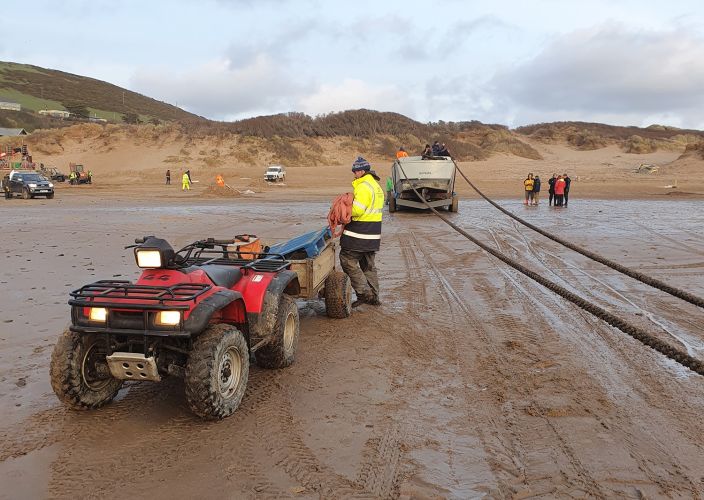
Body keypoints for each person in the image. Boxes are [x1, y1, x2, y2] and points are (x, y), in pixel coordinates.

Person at [340, 157, 384, 307]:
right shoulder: (376, 186)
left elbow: (357, 210)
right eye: (354, 170)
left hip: (359, 234)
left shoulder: (363, 187)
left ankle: (365, 294)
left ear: (364, 171)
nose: (355, 173)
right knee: (368, 265)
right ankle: (374, 297)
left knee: (347, 260)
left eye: (357, 170)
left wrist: (343, 210)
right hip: (373, 234)